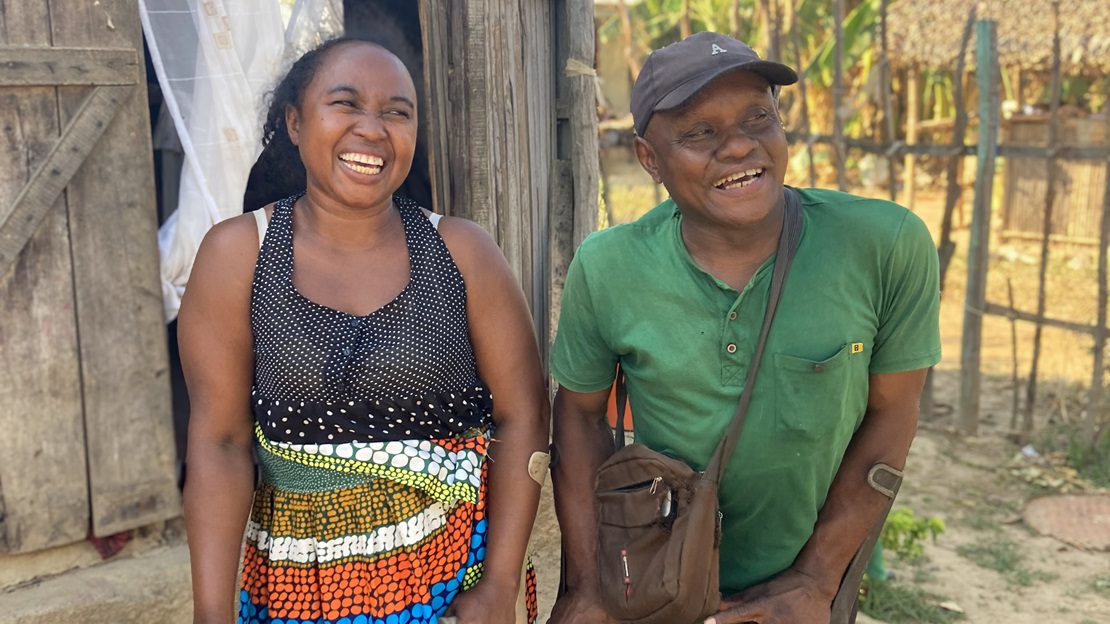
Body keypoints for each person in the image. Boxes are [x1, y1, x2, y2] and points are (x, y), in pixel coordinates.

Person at [548, 31, 941, 624]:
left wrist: (816, 580)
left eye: (758, 117)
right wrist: (587, 588)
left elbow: (893, 414)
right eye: (699, 132)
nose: (738, 146)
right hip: (656, 586)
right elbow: (578, 417)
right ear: (649, 159)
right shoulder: (608, 267)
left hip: (804, 595)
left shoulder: (884, 245)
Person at [178, 38, 549, 624]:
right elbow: (220, 442)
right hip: (297, 589)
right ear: (295, 122)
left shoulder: (460, 252)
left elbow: (523, 413)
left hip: (452, 583)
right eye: (346, 104)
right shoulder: (240, 254)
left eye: (397, 112)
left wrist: (499, 585)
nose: (372, 129)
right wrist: (210, 613)